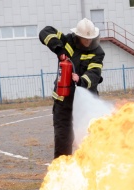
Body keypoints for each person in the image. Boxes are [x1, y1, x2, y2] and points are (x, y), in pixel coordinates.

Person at [39, 18, 105, 159]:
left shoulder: (98, 52)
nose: (88, 42)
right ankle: (63, 171)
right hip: (63, 102)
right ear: (78, 36)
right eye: (85, 39)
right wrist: (58, 48)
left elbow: (94, 73)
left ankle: (90, 171)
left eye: (90, 39)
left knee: (89, 138)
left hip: (85, 104)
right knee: (63, 138)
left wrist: (81, 79)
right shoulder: (67, 42)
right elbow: (46, 32)